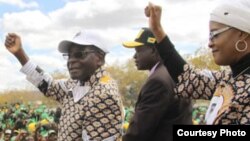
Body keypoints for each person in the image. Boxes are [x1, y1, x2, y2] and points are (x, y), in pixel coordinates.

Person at [4, 30, 124, 140]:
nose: (71, 61)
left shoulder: (104, 95)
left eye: (80, 54)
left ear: (99, 58)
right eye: (69, 56)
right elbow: (48, 85)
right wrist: (19, 53)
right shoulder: (75, 84)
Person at [145, 0, 250, 124]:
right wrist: (157, 30)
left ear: (242, 34)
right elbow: (189, 80)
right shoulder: (230, 78)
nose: (210, 43)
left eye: (214, 34)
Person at [122, 27, 192, 141]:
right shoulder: (172, 72)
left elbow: (139, 131)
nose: (134, 56)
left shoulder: (157, 81)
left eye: (138, 50)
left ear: (154, 50)